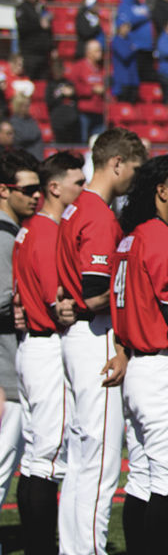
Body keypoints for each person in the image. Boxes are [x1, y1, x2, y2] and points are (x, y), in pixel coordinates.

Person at [55, 128, 147, 555]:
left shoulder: (75, 209)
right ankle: (87, 549)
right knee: (101, 459)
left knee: (81, 457)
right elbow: (93, 291)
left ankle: (75, 546)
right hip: (95, 338)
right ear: (116, 164)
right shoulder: (96, 214)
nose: (135, 177)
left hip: (75, 337)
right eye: (134, 168)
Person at [110, 155, 168, 554]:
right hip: (159, 365)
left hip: (136, 366)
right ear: (161, 191)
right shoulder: (159, 236)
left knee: (143, 478)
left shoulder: (130, 236)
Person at [12, 151, 84, 555]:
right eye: (76, 181)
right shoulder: (44, 231)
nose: (82, 188)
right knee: (48, 456)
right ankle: (41, 547)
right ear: (54, 187)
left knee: (39, 453)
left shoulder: (33, 228)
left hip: (34, 345)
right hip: (44, 344)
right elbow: (56, 298)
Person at [0, 149, 39, 525]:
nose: (35, 195)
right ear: (3, 190)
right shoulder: (4, 236)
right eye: (27, 188)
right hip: (4, 378)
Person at [16, 0, 53, 81]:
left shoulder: (41, 8)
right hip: (30, 54)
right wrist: (39, 24)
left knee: (43, 83)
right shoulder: (22, 8)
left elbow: (48, 29)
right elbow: (23, 27)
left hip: (44, 54)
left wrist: (52, 47)